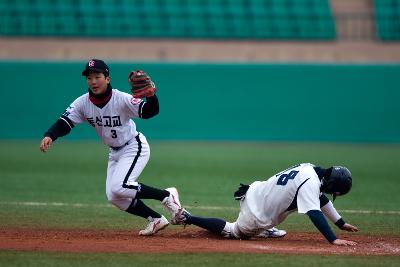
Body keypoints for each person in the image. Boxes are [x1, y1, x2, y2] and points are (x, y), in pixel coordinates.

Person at [40, 59, 183, 236]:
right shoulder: (82, 103)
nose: (93, 81)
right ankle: (155, 219)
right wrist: (50, 135)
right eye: (89, 78)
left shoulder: (121, 98)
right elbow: (65, 122)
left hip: (133, 146)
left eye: (97, 76)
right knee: (114, 197)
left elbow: (149, 112)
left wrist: (151, 96)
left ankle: (166, 195)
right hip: (114, 152)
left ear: (107, 78)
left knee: (120, 187)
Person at [176, 163, 359, 246]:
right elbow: (314, 212)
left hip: (255, 192)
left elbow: (319, 199)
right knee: (233, 231)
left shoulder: (310, 169)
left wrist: (340, 223)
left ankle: (266, 229)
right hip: (255, 215)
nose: (329, 194)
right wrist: (333, 239)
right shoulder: (311, 184)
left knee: (277, 211)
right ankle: (188, 217)